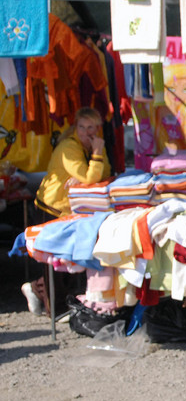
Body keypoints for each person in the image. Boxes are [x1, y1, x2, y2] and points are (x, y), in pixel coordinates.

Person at [23, 107, 112, 314]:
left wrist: (95, 157)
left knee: (68, 260)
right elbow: (91, 177)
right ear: (75, 126)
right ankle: (55, 308)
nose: (85, 131)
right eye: (81, 127)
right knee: (54, 261)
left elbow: (104, 173)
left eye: (90, 127)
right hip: (51, 207)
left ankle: (35, 289)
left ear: (97, 128)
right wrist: (94, 159)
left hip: (70, 210)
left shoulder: (92, 145)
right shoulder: (68, 147)